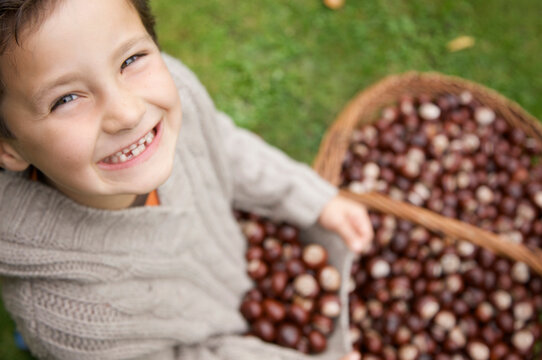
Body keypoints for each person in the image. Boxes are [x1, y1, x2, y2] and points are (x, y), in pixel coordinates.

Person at [0, 1, 373, 359]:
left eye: (130, 59)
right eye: (65, 99)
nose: (128, 112)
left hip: (223, 269)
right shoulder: (68, 319)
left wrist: (310, 197)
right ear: (9, 149)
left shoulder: (174, 96)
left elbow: (220, 144)